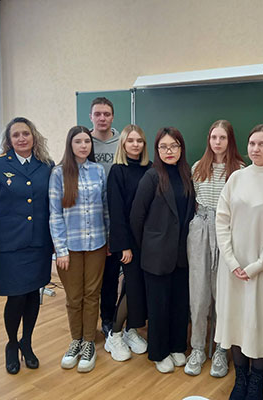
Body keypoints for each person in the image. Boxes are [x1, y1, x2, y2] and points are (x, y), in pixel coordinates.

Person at [215, 124, 263, 400]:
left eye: (262, 144)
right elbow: (222, 220)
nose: (256, 149)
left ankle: (256, 381)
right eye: (252, 144)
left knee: (260, 323)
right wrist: (231, 260)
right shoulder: (236, 178)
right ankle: (241, 379)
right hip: (232, 268)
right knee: (235, 320)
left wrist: (258, 265)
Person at [0, 117, 54, 375]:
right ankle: (12, 344)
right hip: (10, 244)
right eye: (16, 135)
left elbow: (51, 204)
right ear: (9, 140)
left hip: (39, 243)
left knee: (33, 294)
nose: (22, 138)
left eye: (26, 133)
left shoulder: (46, 165)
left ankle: (27, 342)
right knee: (16, 297)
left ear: (34, 136)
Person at [130, 127, 195, 373]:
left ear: (181, 148)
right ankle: (158, 352)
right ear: (157, 150)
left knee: (179, 304)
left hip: (182, 253)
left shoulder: (187, 174)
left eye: (174, 146)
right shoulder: (152, 177)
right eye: (164, 147)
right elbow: (137, 217)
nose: (169, 151)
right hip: (156, 255)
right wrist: (149, 245)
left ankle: (178, 346)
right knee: (159, 306)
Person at [184, 120, 244, 378]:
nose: (217, 142)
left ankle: (221, 349)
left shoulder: (240, 170)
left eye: (222, 138)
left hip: (228, 232)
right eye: (213, 137)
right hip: (201, 228)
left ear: (230, 140)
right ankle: (198, 348)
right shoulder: (198, 167)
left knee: (223, 294)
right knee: (198, 293)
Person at [49, 126, 109, 373]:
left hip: (97, 244)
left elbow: (105, 208)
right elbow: (55, 214)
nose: (83, 146)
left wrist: (109, 239)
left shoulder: (98, 170)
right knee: (74, 296)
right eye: (78, 141)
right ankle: (76, 340)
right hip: (70, 247)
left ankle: (88, 342)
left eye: (87, 141)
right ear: (70, 144)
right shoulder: (58, 173)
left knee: (92, 294)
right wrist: (60, 250)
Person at [104, 124, 152, 361]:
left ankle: (131, 330)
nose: (135, 144)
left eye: (139, 141)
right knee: (131, 288)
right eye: (130, 140)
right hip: (128, 242)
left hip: (149, 241)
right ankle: (114, 334)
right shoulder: (117, 171)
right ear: (123, 144)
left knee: (141, 288)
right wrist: (123, 246)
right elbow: (116, 211)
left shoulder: (151, 169)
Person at [89, 97, 121, 337]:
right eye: (98, 114)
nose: (102, 118)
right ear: (91, 116)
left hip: (116, 219)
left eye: (106, 114)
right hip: (89, 221)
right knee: (91, 279)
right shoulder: (82, 141)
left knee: (111, 276)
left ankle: (108, 319)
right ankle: (85, 325)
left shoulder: (123, 142)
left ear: (112, 117)